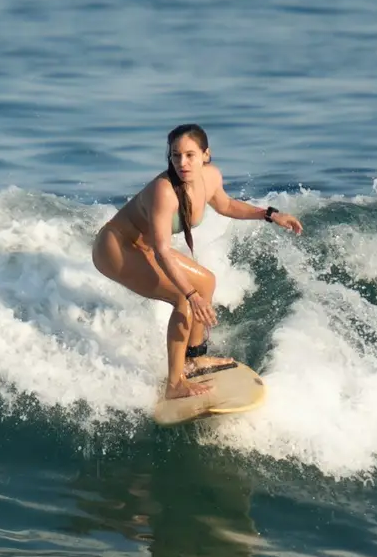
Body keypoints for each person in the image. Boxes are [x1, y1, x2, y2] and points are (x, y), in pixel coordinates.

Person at [92, 124, 304, 399]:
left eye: (190, 155)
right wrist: (190, 295)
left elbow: (227, 206)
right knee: (183, 299)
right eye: (175, 155)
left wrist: (270, 214)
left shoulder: (211, 178)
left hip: (142, 246)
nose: (182, 162)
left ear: (206, 155)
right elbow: (162, 252)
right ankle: (175, 383)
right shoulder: (164, 191)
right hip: (115, 247)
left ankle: (194, 359)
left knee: (207, 281)